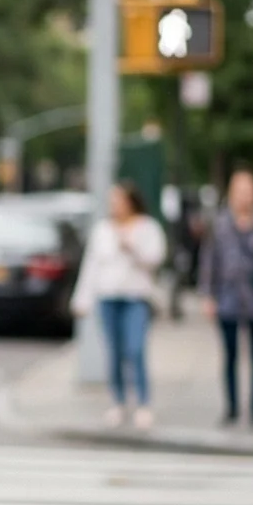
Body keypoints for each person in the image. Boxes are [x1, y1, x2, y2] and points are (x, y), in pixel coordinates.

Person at [70, 182, 167, 429]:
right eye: (112, 201)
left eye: (119, 200)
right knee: (114, 353)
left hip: (135, 297)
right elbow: (91, 266)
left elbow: (155, 259)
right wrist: (82, 299)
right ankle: (119, 402)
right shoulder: (103, 230)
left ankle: (143, 403)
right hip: (108, 297)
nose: (115, 206)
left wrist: (132, 247)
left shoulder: (147, 227)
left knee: (135, 349)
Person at [199, 168, 253, 428]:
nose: (243, 196)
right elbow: (209, 260)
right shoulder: (220, 224)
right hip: (227, 298)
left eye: (247, 190)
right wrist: (208, 295)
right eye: (238, 191)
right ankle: (232, 408)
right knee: (230, 356)